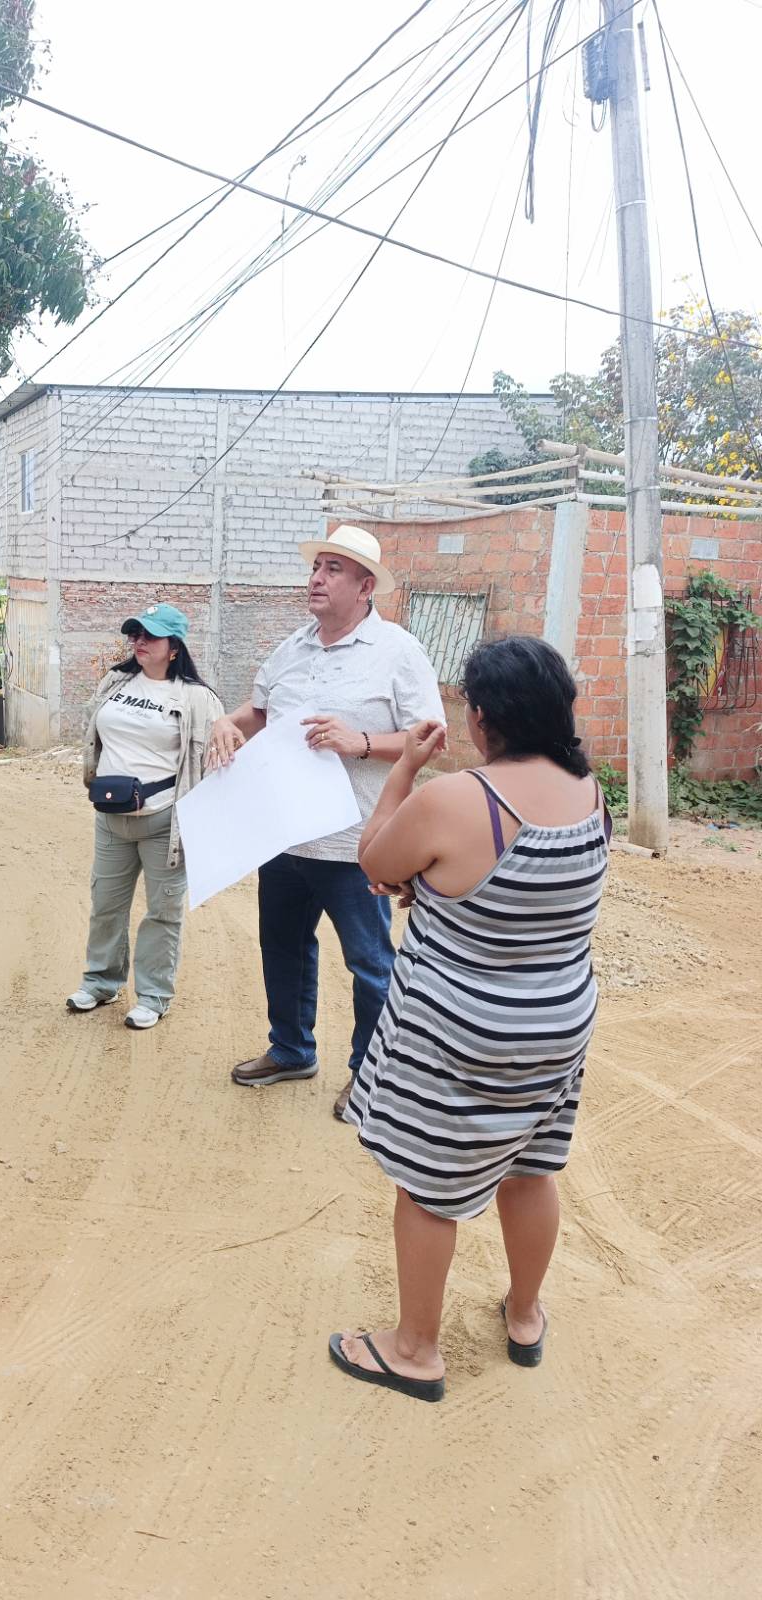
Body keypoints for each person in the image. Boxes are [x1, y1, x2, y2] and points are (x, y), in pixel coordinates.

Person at [327, 636, 612, 1403]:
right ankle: (525, 1315)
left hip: (463, 1035)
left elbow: (375, 862)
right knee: (531, 1167)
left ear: (482, 717)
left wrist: (405, 772)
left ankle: (415, 1351)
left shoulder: (458, 798)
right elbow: (518, 900)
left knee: (428, 1187)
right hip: (558, 1025)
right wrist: (434, 884)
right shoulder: (590, 793)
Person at [207, 525, 444, 1115]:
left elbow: (430, 737)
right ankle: (291, 1050)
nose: (317, 577)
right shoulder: (292, 648)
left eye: (334, 569)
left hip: (355, 843)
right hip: (284, 835)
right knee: (282, 947)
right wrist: (226, 722)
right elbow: (260, 711)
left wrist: (360, 741)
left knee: (370, 963)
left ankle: (371, 1074)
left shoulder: (397, 651)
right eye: (317, 566)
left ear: (366, 587)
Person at [68, 603, 224, 1030]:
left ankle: (154, 996)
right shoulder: (115, 682)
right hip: (110, 816)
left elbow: (212, 762)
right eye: (135, 634)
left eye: (150, 636)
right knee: (106, 903)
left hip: (164, 822)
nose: (139, 642)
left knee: (162, 912)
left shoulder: (196, 698)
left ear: (174, 648)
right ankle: (101, 982)